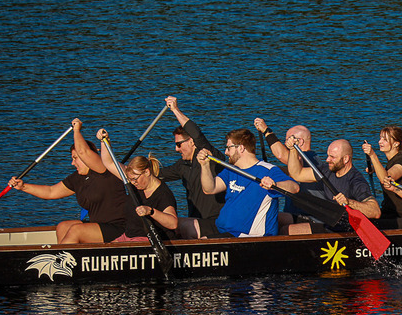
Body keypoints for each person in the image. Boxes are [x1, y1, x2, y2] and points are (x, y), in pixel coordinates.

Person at [8, 118, 127, 244]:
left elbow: (83, 152)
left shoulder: (104, 169)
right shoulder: (77, 178)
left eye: (75, 158)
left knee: (76, 230)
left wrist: (76, 131)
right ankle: (69, 260)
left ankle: (59, 261)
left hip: (119, 227)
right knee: (63, 227)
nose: (72, 163)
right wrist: (23, 187)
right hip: (98, 225)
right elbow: (51, 192)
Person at [197, 129, 299, 237]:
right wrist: (204, 166)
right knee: (188, 227)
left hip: (247, 236)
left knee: (201, 243)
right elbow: (210, 189)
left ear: (241, 148)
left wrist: (275, 185)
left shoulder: (268, 170)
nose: (226, 152)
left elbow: (295, 187)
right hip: (223, 229)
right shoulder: (231, 169)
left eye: (228, 148)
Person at [157, 96, 225, 238]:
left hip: (217, 222)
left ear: (192, 142)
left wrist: (175, 110)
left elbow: (197, 134)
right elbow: (157, 174)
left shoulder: (211, 156)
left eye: (179, 144)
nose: (176, 149)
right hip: (196, 221)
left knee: (179, 225)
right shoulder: (182, 165)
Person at [96, 129, 180, 242]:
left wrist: (151, 211)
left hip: (150, 239)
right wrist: (104, 141)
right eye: (130, 179)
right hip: (128, 236)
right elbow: (109, 162)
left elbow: (173, 223)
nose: (133, 183)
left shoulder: (163, 194)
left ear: (147, 172)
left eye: (135, 179)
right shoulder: (134, 181)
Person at [285, 137, 380, 233]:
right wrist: (293, 150)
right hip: (328, 220)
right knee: (281, 218)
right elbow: (297, 174)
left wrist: (349, 202)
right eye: (328, 155)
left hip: (344, 229)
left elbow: (375, 212)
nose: (327, 160)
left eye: (332, 157)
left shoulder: (355, 181)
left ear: (346, 159)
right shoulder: (327, 170)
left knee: (286, 230)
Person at [362, 125, 402, 228]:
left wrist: (372, 155)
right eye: (380, 138)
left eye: (385, 139)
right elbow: (385, 172)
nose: (380, 142)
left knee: (369, 226)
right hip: (389, 213)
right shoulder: (391, 162)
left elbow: (386, 178)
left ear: (396, 143)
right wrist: (375, 170)